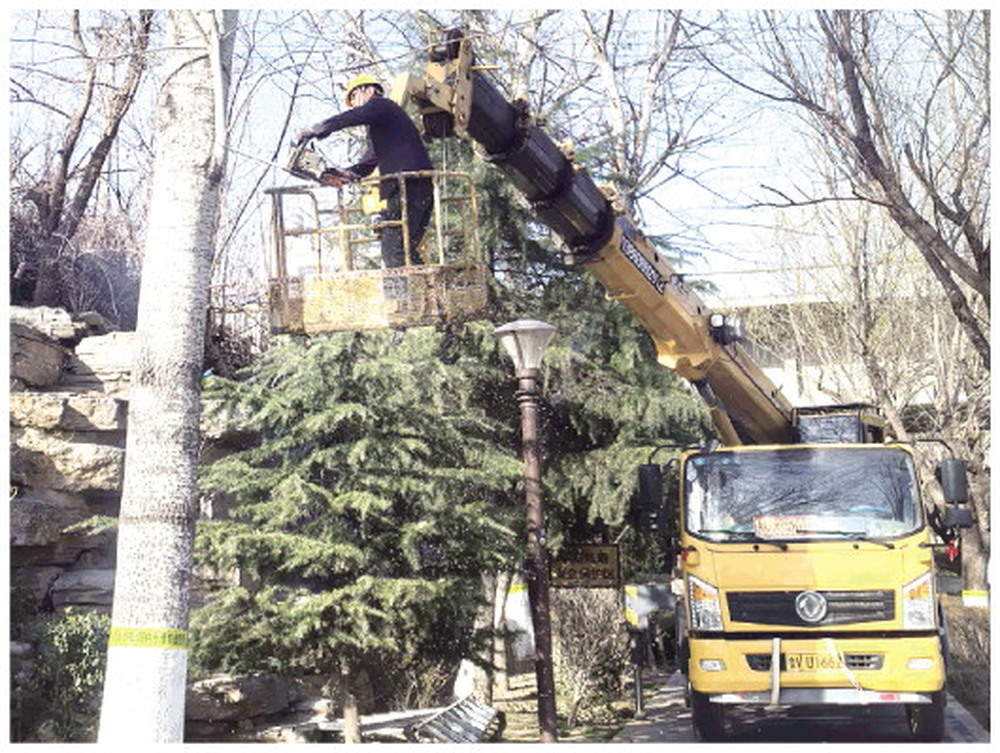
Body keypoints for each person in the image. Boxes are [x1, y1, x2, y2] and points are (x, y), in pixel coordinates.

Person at [295, 74, 434, 267]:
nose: (353, 105)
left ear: (368, 90)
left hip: (408, 186)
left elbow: (352, 117)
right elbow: (370, 161)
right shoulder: (383, 125)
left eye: (354, 97)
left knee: (394, 251)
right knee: (403, 249)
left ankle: (405, 297)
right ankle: (427, 291)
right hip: (414, 187)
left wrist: (318, 128)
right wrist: (347, 174)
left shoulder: (382, 105)